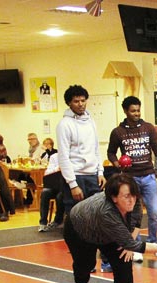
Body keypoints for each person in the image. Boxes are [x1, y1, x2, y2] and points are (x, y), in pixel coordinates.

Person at [107, 95, 157, 261]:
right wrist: (117, 164)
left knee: (154, 213)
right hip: (129, 179)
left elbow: (156, 148)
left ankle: (153, 243)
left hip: (148, 176)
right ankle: (136, 246)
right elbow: (111, 152)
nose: (137, 113)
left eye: (138, 110)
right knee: (133, 214)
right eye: (133, 111)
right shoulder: (118, 132)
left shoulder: (148, 128)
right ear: (125, 111)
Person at [57, 84, 106, 268]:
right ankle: (82, 261)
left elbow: (95, 149)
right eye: (76, 101)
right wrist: (72, 184)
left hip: (92, 176)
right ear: (69, 103)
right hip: (75, 176)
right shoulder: (64, 124)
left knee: (97, 217)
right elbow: (63, 156)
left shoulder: (91, 121)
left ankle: (98, 258)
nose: (80, 104)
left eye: (83, 100)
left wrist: (100, 172)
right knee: (77, 220)